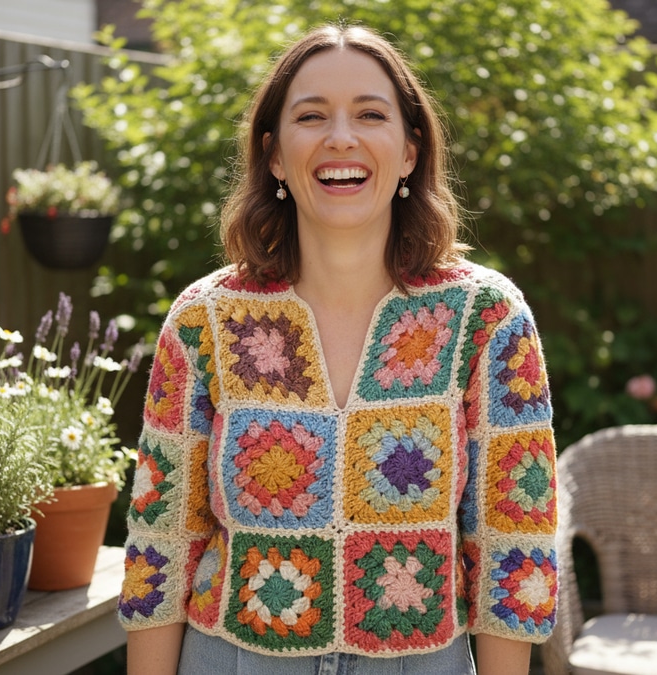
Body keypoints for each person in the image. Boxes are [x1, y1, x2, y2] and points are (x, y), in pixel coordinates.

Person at [118, 23, 556, 675]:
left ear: (410, 150)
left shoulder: (487, 319)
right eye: (312, 115)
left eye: (370, 114)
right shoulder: (205, 320)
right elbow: (161, 547)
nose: (341, 137)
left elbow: (513, 548)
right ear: (273, 155)